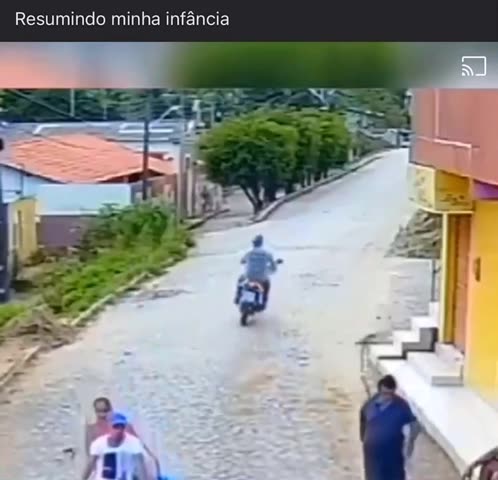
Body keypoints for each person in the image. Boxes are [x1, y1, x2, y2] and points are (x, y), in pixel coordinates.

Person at [359, 374, 420, 480]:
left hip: (392, 456)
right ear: (379, 391)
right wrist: (364, 438)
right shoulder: (370, 403)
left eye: (391, 394)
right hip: (372, 457)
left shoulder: (401, 406)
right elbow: (363, 419)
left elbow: (415, 424)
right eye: (385, 393)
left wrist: (411, 442)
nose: (388, 397)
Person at [85, 397, 161, 477]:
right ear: (95, 411)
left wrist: (153, 462)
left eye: (105, 410)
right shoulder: (92, 430)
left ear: (111, 410)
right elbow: (90, 456)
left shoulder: (124, 427)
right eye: (99, 411)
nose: (102, 415)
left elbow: (141, 449)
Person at [82, 412, 148, 480]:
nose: (119, 430)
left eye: (122, 427)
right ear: (109, 427)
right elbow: (90, 465)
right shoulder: (98, 443)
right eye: (116, 426)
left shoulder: (134, 442)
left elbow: (141, 467)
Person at [234, 234, 277, 309]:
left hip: (249, 277)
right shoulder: (267, 254)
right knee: (267, 285)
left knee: (240, 279)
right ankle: (264, 302)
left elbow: (242, 261)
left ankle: (237, 297)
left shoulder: (248, 253)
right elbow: (274, 268)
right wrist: (269, 270)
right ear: (261, 243)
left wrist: (246, 262)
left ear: (253, 244)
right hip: (262, 278)